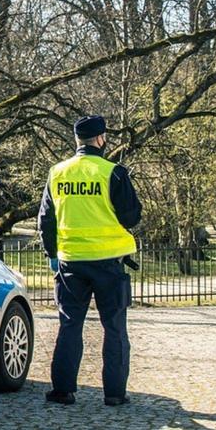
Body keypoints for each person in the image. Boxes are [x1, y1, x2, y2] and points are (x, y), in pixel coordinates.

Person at [37, 115, 142, 406]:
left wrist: (52, 255)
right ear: (100, 139)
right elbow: (131, 217)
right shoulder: (114, 172)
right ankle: (115, 393)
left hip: (71, 261)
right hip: (109, 262)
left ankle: (62, 390)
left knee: (70, 324)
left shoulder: (57, 173)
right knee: (114, 326)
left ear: (77, 140)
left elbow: (46, 219)